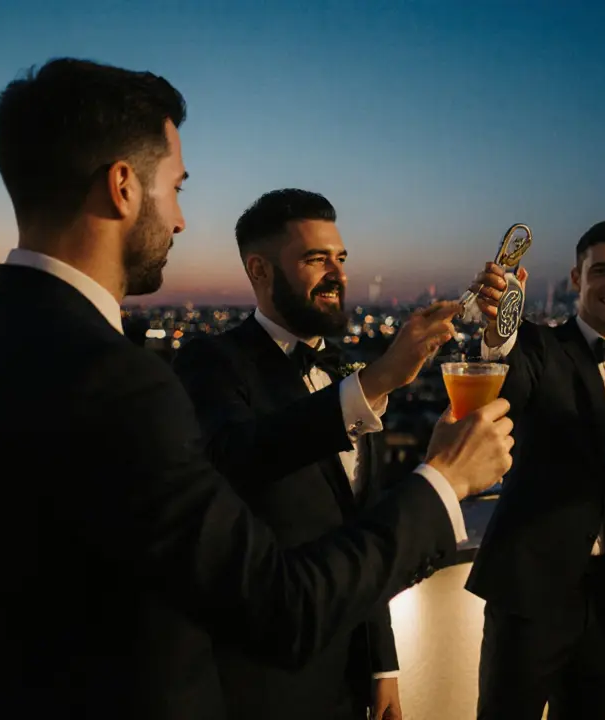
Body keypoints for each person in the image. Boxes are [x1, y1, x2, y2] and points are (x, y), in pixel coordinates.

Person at [0, 58, 514, 720]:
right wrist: (443, 480)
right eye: (175, 187)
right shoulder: (121, 382)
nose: (180, 220)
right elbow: (281, 608)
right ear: (123, 187)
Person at [173, 188, 455, 720]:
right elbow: (236, 458)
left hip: (349, 683)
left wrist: (382, 666)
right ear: (259, 270)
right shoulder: (212, 361)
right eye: (315, 258)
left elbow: (363, 522)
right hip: (265, 683)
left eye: (341, 258)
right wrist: (376, 381)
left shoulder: (346, 370)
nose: (337, 273)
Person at [464, 220, 605, 720]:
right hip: (529, 592)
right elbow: (507, 382)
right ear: (576, 278)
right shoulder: (539, 347)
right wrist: (498, 331)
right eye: (601, 270)